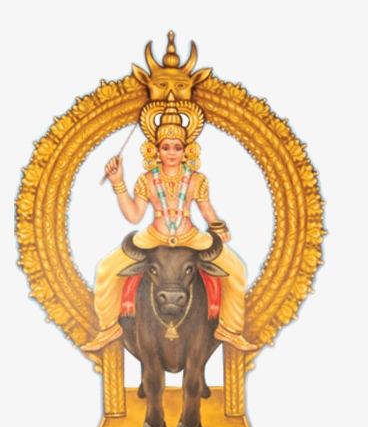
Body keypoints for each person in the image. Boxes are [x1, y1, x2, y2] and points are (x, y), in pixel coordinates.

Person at [80, 103, 256, 353]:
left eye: (177, 147)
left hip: (190, 235)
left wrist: (218, 228)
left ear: (186, 150)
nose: (171, 153)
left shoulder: (196, 179)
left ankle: (230, 328)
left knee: (236, 269)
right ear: (155, 150)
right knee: (106, 269)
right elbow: (134, 216)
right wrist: (118, 183)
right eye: (165, 147)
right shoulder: (147, 179)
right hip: (154, 235)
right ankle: (108, 328)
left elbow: (206, 210)